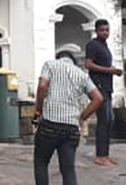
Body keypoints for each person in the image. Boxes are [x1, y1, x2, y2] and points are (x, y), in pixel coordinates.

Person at [33, 51, 104, 185]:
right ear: (73, 61)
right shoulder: (82, 74)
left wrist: (38, 110)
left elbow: (42, 86)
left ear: (58, 57)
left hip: (49, 124)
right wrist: (82, 117)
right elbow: (98, 98)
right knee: (68, 169)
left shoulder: (50, 64)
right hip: (71, 128)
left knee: (41, 162)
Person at [83, 19, 123, 166]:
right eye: (102, 30)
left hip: (107, 86)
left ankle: (105, 154)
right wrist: (109, 70)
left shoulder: (104, 46)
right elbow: (88, 64)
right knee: (104, 119)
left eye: (107, 30)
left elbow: (104, 64)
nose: (105, 32)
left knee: (109, 120)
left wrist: (114, 70)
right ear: (96, 31)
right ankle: (100, 155)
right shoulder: (93, 45)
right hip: (98, 86)